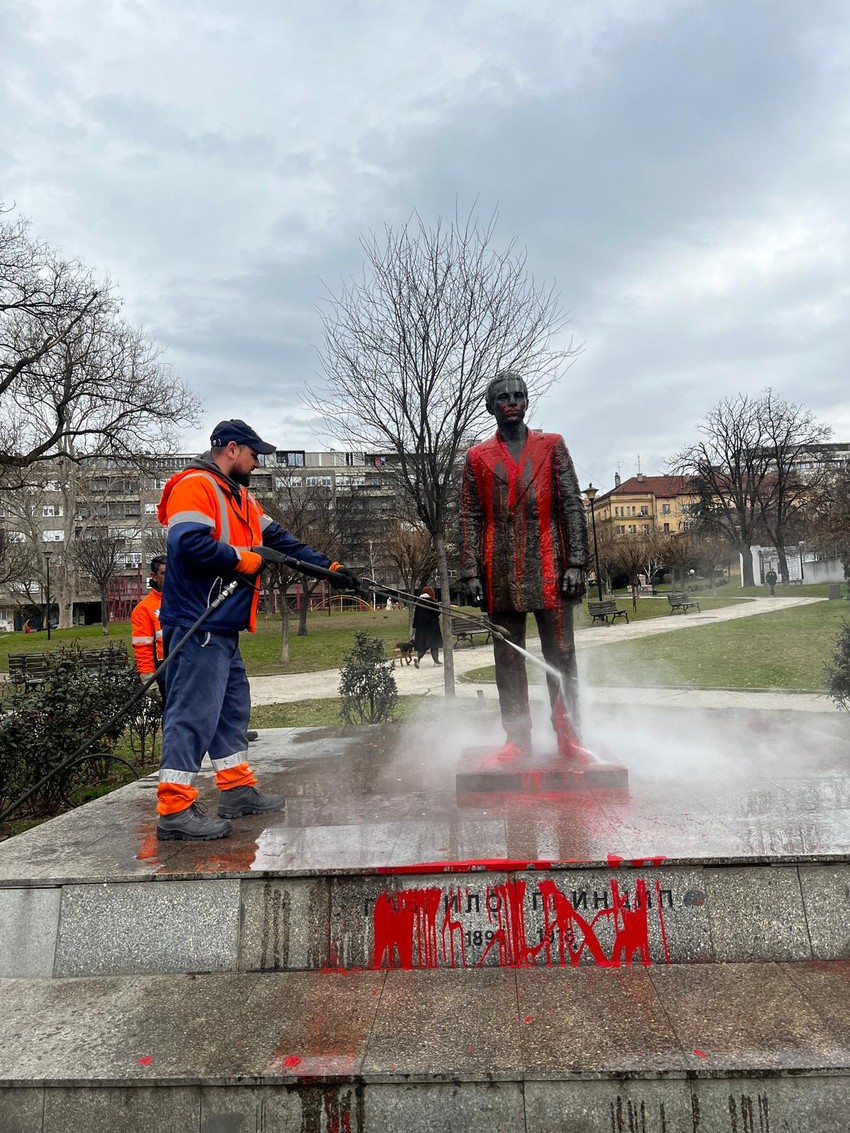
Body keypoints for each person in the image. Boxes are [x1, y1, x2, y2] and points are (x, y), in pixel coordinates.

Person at [155, 418, 357, 841]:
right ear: (231, 449)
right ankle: (174, 810)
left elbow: (284, 543)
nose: (258, 462)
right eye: (254, 454)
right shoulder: (196, 486)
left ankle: (236, 791)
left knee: (230, 712)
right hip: (197, 622)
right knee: (193, 714)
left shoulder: (241, 498)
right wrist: (242, 559)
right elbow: (186, 543)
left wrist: (331, 569)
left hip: (223, 626)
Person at [461, 371, 589, 758]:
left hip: (551, 567)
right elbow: (469, 516)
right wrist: (470, 571)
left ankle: (569, 733)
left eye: (519, 395)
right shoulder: (477, 456)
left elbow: (570, 505)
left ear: (527, 401)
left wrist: (577, 563)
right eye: (503, 397)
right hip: (500, 571)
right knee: (508, 657)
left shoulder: (552, 446)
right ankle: (517, 737)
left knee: (562, 655)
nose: (512, 401)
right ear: (491, 406)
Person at [131, 555, 167, 702]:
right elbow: (143, 646)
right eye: (164, 573)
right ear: (154, 576)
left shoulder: (187, 600)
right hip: (165, 669)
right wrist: (148, 680)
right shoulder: (144, 608)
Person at [412, 586, 443, 667]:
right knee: (434, 644)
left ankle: (418, 658)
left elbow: (416, 615)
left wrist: (414, 626)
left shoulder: (419, 602)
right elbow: (437, 613)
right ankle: (436, 661)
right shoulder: (432, 602)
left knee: (423, 645)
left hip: (421, 628)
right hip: (432, 627)